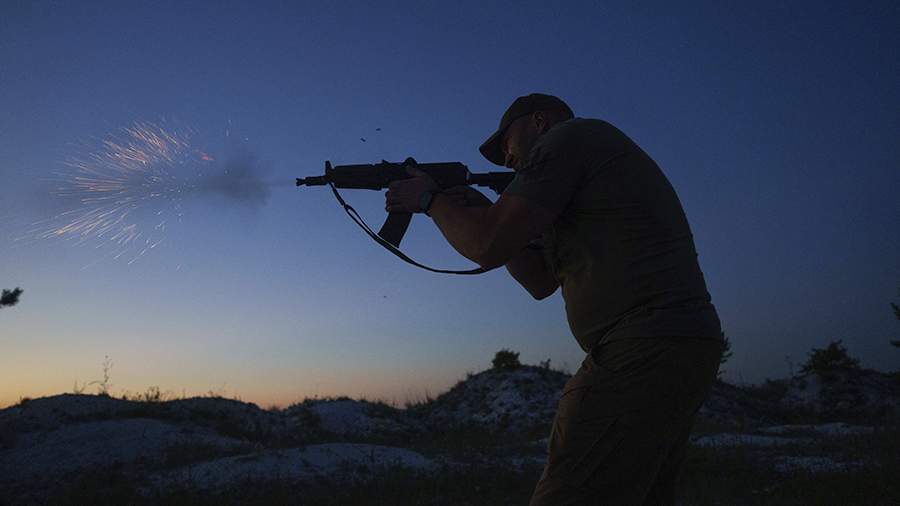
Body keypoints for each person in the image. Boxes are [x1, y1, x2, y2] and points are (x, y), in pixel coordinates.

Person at [385, 93, 724, 505]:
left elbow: (486, 245)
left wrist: (431, 200)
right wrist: (482, 209)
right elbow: (539, 282)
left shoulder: (569, 139)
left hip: (641, 344)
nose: (507, 159)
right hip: (671, 342)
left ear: (540, 122)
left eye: (506, 144)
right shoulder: (585, 168)